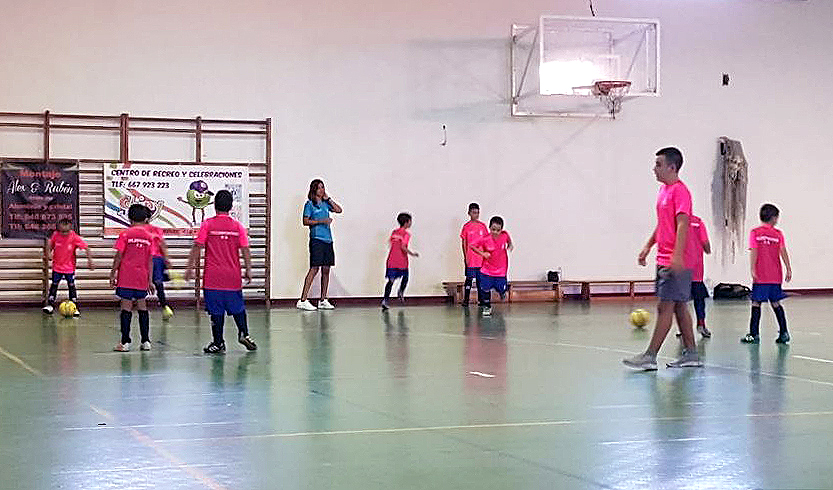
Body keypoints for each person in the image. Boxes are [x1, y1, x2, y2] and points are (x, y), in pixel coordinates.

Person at [624, 147, 703, 370]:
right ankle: (691, 354)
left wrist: (677, 256)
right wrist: (648, 246)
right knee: (679, 307)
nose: (654, 168)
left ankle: (650, 356)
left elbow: (682, 224)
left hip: (676, 259)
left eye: (658, 164)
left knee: (664, 307)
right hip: (663, 255)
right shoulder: (663, 192)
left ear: (672, 167)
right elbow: (663, 224)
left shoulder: (681, 192)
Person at [185, 190, 257, 353]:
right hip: (233, 276)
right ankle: (244, 332)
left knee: (216, 311)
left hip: (213, 277)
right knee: (238, 306)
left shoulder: (208, 224)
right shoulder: (237, 227)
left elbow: (197, 246)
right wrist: (249, 269)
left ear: (214, 205)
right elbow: (245, 249)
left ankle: (218, 342)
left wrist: (189, 268)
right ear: (231, 206)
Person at [742, 204, 792, 344]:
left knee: (756, 303)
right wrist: (788, 268)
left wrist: (752, 268)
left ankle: (754, 334)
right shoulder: (778, 234)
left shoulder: (755, 233)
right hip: (775, 275)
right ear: (774, 218)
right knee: (775, 302)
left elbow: (754, 250)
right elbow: (783, 251)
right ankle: (784, 332)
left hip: (761, 275)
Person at [110, 205, 155, 352]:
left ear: (129, 218)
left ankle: (125, 342)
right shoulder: (149, 237)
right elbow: (150, 260)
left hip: (126, 276)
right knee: (143, 307)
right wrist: (150, 280)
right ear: (146, 219)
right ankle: (146, 341)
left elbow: (119, 256)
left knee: (126, 308)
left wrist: (112, 273)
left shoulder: (125, 235)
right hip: (142, 276)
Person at [297, 179, 342, 311]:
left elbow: (339, 210)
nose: (322, 190)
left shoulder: (325, 204)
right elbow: (305, 221)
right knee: (314, 268)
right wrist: (321, 221)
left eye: (323, 187)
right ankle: (303, 300)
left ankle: (323, 299)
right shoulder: (310, 204)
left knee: (326, 269)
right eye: (319, 188)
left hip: (328, 240)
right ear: (314, 190)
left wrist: (329, 199)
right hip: (316, 239)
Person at [42, 218, 94, 315]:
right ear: (59, 229)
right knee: (54, 285)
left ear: (70, 228)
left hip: (69, 268)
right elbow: (50, 244)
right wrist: (48, 253)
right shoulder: (55, 235)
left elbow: (86, 247)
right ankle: (50, 305)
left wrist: (90, 261)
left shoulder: (74, 237)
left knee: (71, 286)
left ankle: (74, 306)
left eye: (66, 231)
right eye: (62, 231)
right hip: (57, 267)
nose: (64, 234)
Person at [677, 215, 712, 338]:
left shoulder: (676, 221)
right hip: (696, 268)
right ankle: (701, 324)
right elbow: (706, 244)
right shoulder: (698, 222)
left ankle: (683, 328)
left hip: (681, 268)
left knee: (681, 301)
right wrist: (707, 249)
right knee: (699, 299)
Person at [470, 216, 512, 317]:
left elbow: (509, 242)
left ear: (501, 230)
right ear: (489, 228)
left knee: (501, 288)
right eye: (493, 229)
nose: (495, 232)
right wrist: (482, 253)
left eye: (498, 230)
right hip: (487, 270)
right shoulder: (485, 239)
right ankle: (487, 306)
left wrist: (510, 246)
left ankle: (502, 292)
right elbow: (472, 246)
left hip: (501, 270)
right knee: (485, 288)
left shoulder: (504, 236)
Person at [141, 206, 174, 320]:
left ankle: (133, 306)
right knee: (159, 284)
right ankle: (165, 307)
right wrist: (167, 258)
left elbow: (161, 244)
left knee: (141, 283)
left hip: (147, 259)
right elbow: (162, 244)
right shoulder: (156, 230)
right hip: (157, 259)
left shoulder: (138, 230)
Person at [382, 212, 419, 310]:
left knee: (390, 281)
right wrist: (412, 253)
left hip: (391, 259)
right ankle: (401, 291)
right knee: (405, 277)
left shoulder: (394, 232)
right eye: (410, 221)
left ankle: (385, 300)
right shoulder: (406, 234)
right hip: (401, 260)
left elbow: (391, 243)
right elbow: (403, 247)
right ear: (407, 223)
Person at [460, 203, 488, 306]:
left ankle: (481, 299)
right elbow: (464, 243)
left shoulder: (482, 226)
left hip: (480, 259)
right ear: (469, 213)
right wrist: (465, 256)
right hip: (471, 258)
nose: (475, 215)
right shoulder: (466, 227)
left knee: (481, 279)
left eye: (477, 212)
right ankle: (466, 299)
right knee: (469, 279)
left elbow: (486, 241)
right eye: (473, 212)